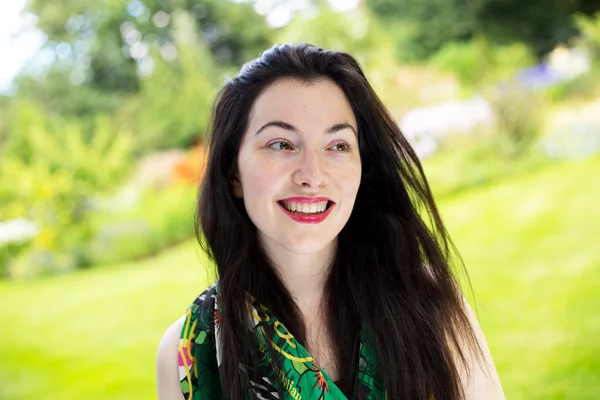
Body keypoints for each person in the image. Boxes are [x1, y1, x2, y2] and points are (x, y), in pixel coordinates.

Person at [156, 43, 505, 400]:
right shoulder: (187, 354)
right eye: (281, 144)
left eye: (337, 146)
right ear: (233, 172)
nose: (312, 175)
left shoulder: (430, 302)